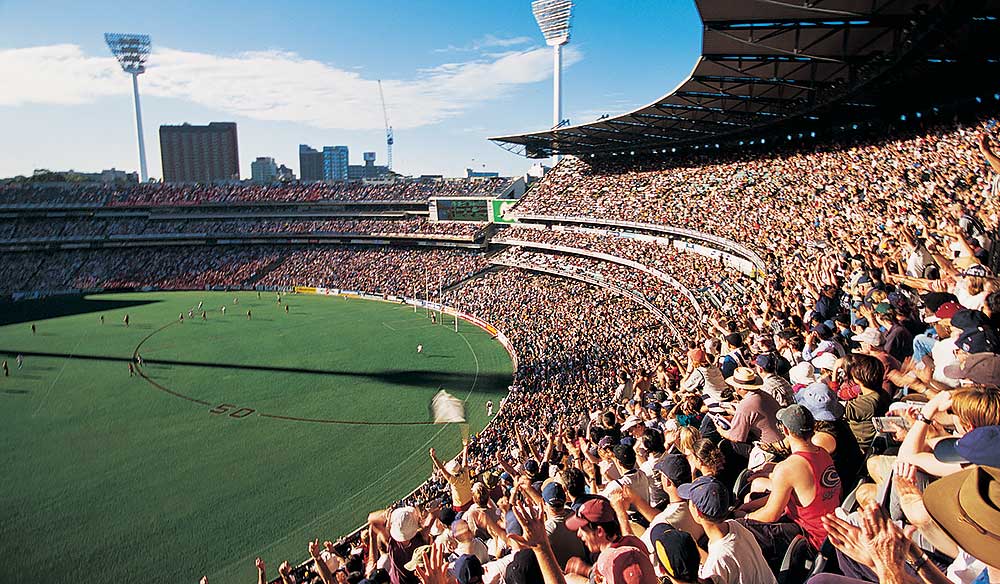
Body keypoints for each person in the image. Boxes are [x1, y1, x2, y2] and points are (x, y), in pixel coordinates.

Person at [740, 405, 841, 567]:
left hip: (812, 539)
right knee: (753, 499)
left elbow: (770, 515)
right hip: (828, 531)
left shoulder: (788, 467)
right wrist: (749, 505)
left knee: (743, 529)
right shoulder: (822, 453)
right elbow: (787, 497)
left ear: (786, 431)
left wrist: (743, 518)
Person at [679, 475, 775, 584]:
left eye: (690, 502)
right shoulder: (735, 526)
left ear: (697, 512)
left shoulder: (716, 564)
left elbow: (719, 563)